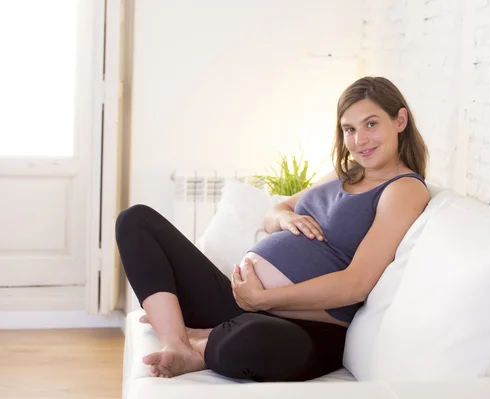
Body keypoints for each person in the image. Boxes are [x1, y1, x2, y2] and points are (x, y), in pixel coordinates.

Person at [115, 76, 431, 382]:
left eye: (371, 124)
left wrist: (265, 299)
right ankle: (178, 343)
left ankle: (201, 338)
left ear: (400, 120)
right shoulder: (342, 174)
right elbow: (274, 212)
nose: (359, 140)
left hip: (306, 325)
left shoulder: (403, 190)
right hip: (240, 301)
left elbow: (356, 284)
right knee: (135, 221)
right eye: (349, 129)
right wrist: (284, 218)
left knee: (248, 343)